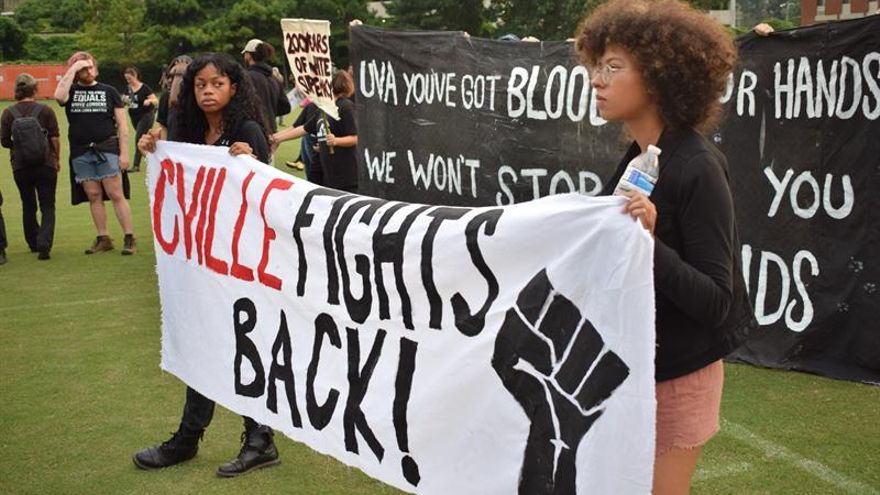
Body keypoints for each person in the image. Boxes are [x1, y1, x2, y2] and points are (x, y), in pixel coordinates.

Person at [576, 1, 754, 493]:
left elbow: (717, 301)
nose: (597, 80)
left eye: (614, 67)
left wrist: (648, 243)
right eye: (596, 65)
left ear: (659, 77)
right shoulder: (638, 158)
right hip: (633, 367)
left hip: (678, 375)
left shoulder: (697, 166)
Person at [133, 53, 280, 478]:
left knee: (243, 347)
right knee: (202, 343)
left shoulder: (247, 130)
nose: (208, 91)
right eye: (200, 85)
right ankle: (188, 439)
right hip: (201, 262)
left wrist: (252, 163)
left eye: (217, 83)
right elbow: (177, 186)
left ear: (234, 87)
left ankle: (260, 439)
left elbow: (267, 196)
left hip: (242, 262)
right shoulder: (186, 131)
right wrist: (152, 150)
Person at [53, 51, 137, 255]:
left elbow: (123, 126)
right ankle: (103, 237)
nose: (88, 71)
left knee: (116, 194)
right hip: (81, 151)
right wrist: (73, 68)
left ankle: (129, 237)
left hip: (107, 148)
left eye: (90, 67)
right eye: (83, 69)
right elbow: (58, 96)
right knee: (93, 195)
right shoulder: (70, 91)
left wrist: (125, 154)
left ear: (96, 69)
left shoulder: (109, 91)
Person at [0, 73, 60, 260]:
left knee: (28, 205)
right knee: (48, 206)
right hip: (45, 164)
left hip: (21, 166)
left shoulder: (8, 113)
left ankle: (33, 242)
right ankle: (44, 243)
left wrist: (19, 147)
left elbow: (4, 141)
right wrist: (56, 158)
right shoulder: (46, 110)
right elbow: (55, 138)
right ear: (35, 89)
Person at [271, 70, 359, 192]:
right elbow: (303, 128)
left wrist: (336, 141)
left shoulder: (346, 107)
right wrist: (276, 138)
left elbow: (355, 138)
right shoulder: (325, 108)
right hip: (328, 173)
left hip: (345, 176)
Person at [241, 39, 291, 134]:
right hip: (271, 131)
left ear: (249, 55)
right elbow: (285, 107)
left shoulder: (245, 77)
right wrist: (269, 112)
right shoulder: (274, 79)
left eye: (245, 53)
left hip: (251, 132)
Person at [123, 66, 158, 172]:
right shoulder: (128, 88)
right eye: (127, 79)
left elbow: (156, 100)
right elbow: (125, 101)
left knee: (138, 139)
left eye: (130, 78)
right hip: (134, 117)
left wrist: (150, 101)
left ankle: (136, 166)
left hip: (146, 115)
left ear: (135, 76)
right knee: (145, 141)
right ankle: (155, 159)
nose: (128, 81)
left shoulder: (144, 88)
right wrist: (124, 101)